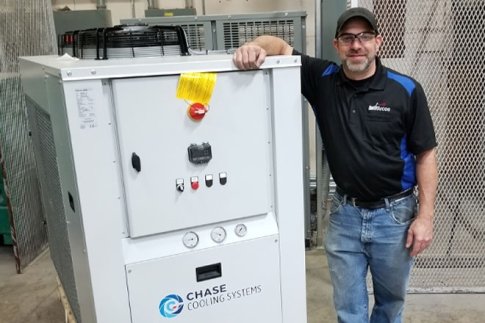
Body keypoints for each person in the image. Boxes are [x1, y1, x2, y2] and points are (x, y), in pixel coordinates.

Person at [233, 7, 438, 323]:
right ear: (337, 44)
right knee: (348, 309)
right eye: (348, 38)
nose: (356, 45)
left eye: (364, 37)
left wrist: (424, 217)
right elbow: (277, 44)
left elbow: (425, 154)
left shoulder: (406, 90)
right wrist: (253, 46)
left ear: (377, 42)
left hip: (394, 218)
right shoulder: (323, 79)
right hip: (345, 215)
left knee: (390, 305)